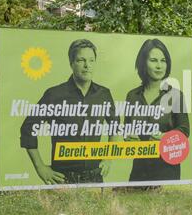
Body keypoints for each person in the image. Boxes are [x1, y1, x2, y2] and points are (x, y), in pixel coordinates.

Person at [20, 39, 120, 185]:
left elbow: (115, 126)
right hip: (63, 178)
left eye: (91, 60)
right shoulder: (54, 95)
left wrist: (109, 158)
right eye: (81, 60)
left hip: (95, 177)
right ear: (71, 63)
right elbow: (28, 129)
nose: (87, 66)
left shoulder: (104, 94)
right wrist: (40, 167)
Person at [125, 38, 189, 181]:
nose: (159, 66)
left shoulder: (176, 95)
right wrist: (129, 137)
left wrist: (165, 137)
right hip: (138, 171)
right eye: (153, 60)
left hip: (167, 169)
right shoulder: (132, 96)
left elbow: (184, 130)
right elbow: (127, 129)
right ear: (143, 63)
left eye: (163, 60)